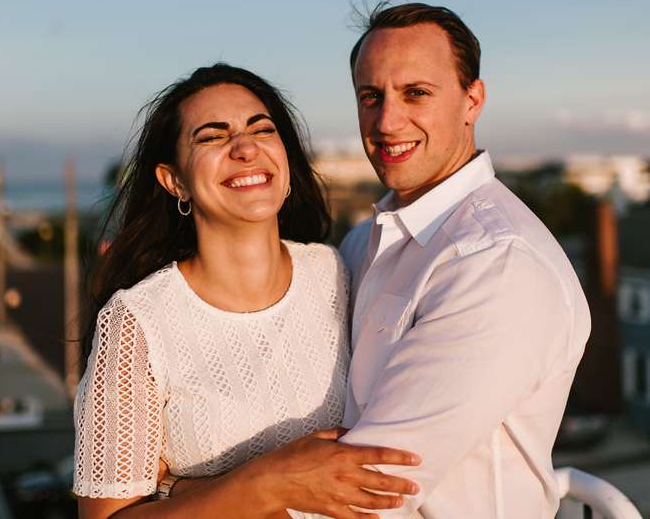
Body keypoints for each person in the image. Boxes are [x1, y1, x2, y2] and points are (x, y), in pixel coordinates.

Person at [73, 63, 421, 519]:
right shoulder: (138, 320)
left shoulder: (334, 271)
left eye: (262, 129)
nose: (245, 147)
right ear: (173, 180)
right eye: (212, 136)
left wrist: (180, 486)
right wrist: (266, 483)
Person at [289, 3, 591, 518]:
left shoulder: (497, 264)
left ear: (472, 100)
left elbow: (372, 494)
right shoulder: (362, 244)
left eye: (416, 93)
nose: (387, 121)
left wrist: (195, 499)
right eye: (371, 96)